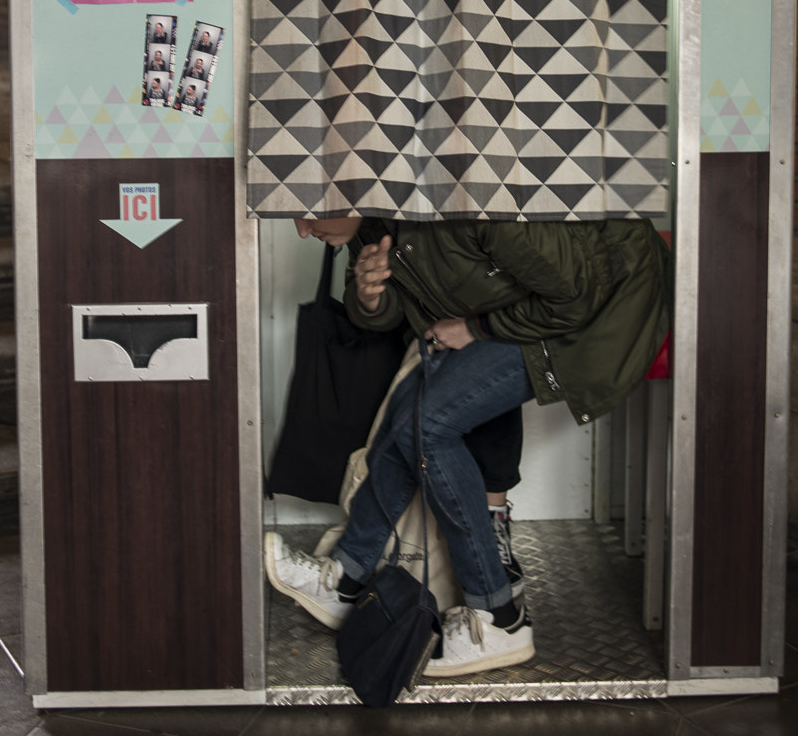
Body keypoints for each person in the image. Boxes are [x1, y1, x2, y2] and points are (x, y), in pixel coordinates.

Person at [265, 213, 671, 678]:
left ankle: (498, 619)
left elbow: (576, 296)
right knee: (412, 413)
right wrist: (368, 295)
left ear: (347, 190)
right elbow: (398, 310)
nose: (302, 230)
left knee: (427, 425)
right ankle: (346, 578)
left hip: (609, 307)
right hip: (531, 310)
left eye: (307, 211)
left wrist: (475, 327)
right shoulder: (373, 227)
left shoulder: (466, 207)